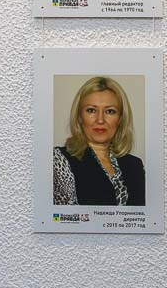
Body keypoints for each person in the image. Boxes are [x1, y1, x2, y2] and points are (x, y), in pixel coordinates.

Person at [52, 76, 145, 206]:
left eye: (110, 111)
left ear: (120, 119)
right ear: (79, 117)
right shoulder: (59, 159)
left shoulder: (135, 165)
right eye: (91, 110)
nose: (100, 120)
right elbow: (66, 217)